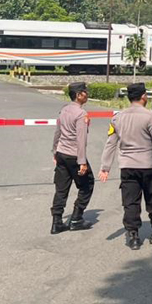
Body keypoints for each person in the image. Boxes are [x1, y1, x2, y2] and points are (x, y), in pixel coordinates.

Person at [100, 83, 152, 250]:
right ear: (143, 96)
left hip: (127, 165)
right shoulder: (150, 116)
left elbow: (111, 143)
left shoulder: (118, 117)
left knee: (130, 201)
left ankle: (133, 235)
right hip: (149, 164)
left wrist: (105, 167)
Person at [50, 82, 94, 234]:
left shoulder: (64, 110)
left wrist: (55, 151)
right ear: (78, 95)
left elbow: (58, 131)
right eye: (85, 92)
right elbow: (81, 139)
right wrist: (82, 162)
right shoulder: (81, 114)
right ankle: (76, 218)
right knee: (87, 185)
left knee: (61, 188)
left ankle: (56, 221)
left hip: (61, 153)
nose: (87, 94)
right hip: (74, 155)